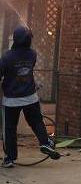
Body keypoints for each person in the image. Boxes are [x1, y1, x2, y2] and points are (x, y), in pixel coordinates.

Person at [0, 26, 60, 167]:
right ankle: (45, 142)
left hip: (11, 100)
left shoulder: (7, 57)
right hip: (30, 97)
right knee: (36, 122)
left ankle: (10, 158)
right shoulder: (32, 54)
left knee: (10, 129)